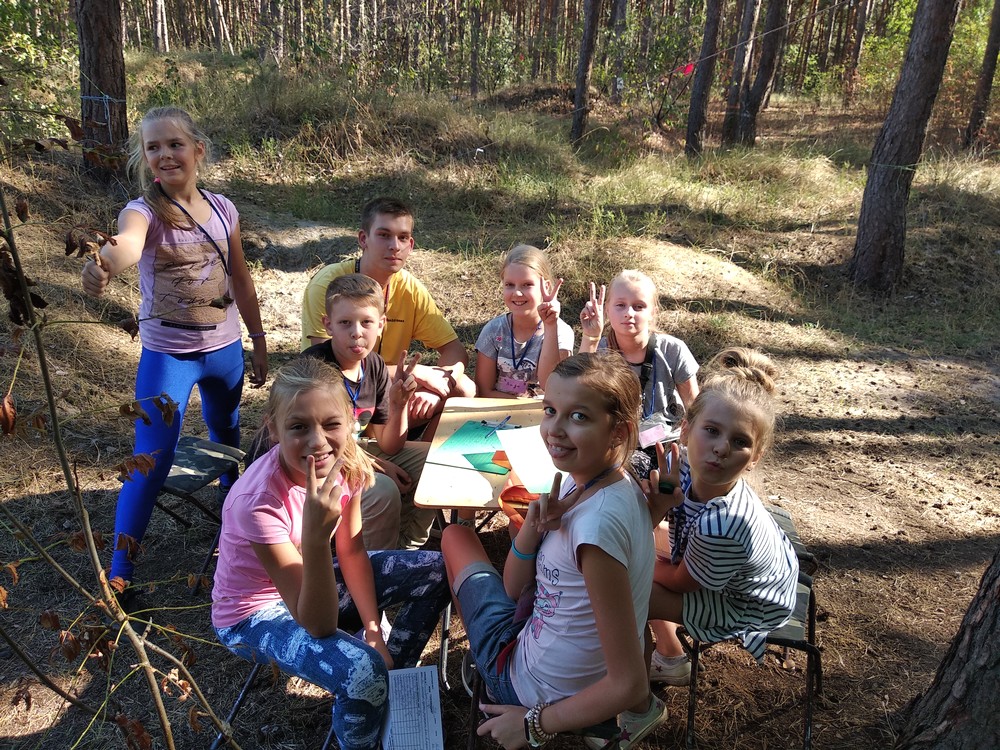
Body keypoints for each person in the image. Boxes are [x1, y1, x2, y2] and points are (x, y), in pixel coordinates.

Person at [212, 357, 450, 750]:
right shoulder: (258, 503)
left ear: (351, 423)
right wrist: (316, 538)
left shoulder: (346, 463)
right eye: (299, 427)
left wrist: (373, 632)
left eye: (331, 424)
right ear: (273, 428)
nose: (318, 442)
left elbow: (352, 551)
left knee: (440, 570)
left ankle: (391, 679)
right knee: (361, 673)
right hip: (250, 613)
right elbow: (318, 624)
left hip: (312, 579)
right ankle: (363, 729)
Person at [80, 106, 268, 587]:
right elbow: (127, 242)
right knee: (151, 459)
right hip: (167, 359)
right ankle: (120, 571)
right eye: (153, 147)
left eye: (175, 144)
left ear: (198, 150)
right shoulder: (143, 210)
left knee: (226, 429)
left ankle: (230, 503)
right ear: (144, 157)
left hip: (225, 350)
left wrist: (258, 339)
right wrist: (103, 262)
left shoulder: (224, 209)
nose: (165, 155)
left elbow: (241, 279)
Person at [441, 352, 666, 750]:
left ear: (618, 432)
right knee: (465, 544)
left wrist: (534, 726)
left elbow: (630, 684)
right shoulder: (607, 483)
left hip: (531, 687)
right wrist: (532, 528)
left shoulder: (595, 529)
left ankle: (488, 673)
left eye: (578, 416)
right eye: (550, 410)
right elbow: (514, 588)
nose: (554, 430)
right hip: (548, 655)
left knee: (454, 537)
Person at [645, 347, 800, 683]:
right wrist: (658, 506)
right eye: (712, 430)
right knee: (634, 557)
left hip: (749, 602)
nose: (721, 448)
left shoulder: (724, 524)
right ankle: (671, 655)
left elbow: (680, 582)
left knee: (630, 591)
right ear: (686, 430)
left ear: (755, 456)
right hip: (731, 566)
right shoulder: (683, 465)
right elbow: (661, 515)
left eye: (740, 441)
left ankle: (639, 687)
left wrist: (638, 563)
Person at [579, 269, 700, 680]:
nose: (629, 314)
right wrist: (590, 339)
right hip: (617, 449)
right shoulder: (601, 349)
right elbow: (578, 394)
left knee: (627, 530)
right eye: (620, 305)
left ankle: (662, 646)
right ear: (607, 309)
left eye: (639, 306)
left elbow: (696, 410)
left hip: (663, 451)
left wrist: (682, 450)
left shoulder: (672, 350)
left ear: (654, 312)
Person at [300, 197, 475, 426]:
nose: (394, 246)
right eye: (384, 235)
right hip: (336, 393)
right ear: (363, 239)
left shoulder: (410, 289)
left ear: (411, 245)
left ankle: (418, 448)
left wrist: (438, 388)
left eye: (402, 237)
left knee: (464, 388)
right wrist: (419, 373)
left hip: (387, 391)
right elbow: (324, 365)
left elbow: (455, 350)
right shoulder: (328, 284)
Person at [301, 273, 434, 550]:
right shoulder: (315, 370)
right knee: (382, 489)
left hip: (352, 451)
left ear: (381, 324)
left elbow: (390, 445)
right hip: (310, 464)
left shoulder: (373, 365)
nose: (357, 332)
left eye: (366, 322)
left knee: (433, 460)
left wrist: (399, 405)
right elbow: (314, 445)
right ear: (328, 325)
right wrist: (374, 465)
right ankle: (371, 563)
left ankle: (405, 548)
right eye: (345, 323)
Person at [475, 244, 573, 399]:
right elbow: (484, 391)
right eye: (510, 285)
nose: (517, 293)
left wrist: (550, 326)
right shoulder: (494, 330)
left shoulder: (561, 332)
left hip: (543, 411)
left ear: (545, 287)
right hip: (498, 409)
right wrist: (516, 405)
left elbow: (552, 387)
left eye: (527, 285)